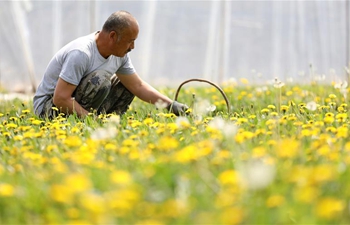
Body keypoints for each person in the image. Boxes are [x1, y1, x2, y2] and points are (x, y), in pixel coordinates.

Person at [33, 10, 188, 119]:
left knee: (125, 85)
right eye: (130, 41)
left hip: (76, 104)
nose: (132, 47)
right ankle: (88, 123)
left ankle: (108, 125)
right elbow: (60, 98)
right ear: (113, 36)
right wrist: (91, 120)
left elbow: (138, 86)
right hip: (49, 108)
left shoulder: (120, 55)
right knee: (100, 79)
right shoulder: (81, 53)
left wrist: (171, 106)